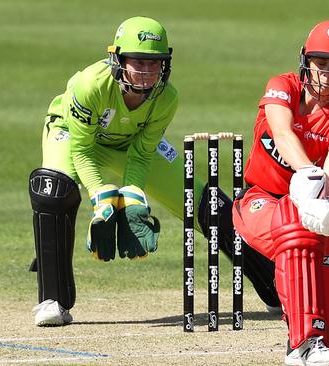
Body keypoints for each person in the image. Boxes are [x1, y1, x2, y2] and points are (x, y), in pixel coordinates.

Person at [28, 16, 279, 327]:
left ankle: (276, 288)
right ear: (117, 59)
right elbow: (81, 150)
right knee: (52, 189)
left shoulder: (166, 98)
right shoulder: (90, 85)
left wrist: (132, 197)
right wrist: (100, 196)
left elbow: (143, 153)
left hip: (130, 145)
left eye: (155, 63)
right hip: (72, 135)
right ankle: (53, 299)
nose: (147, 72)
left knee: (209, 204)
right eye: (138, 62)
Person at [232, 20, 329, 366]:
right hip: (257, 200)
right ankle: (303, 346)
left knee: (320, 226)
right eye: (322, 64)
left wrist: (326, 202)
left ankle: (323, 326)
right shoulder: (282, 86)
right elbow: (282, 132)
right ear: (307, 61)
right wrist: (308, 175)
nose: (328, 75)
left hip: (298, 204)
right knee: (296, 221)